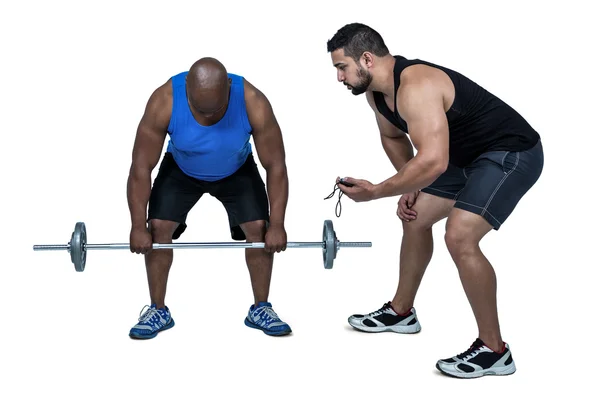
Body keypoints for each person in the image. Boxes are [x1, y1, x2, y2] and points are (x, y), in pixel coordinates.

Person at [326, 23, 543, 378]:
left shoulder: (417, 85)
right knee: (414, 215)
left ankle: (494, 350)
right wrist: (408, 186)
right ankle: (401, 312)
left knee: (459, 237)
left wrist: (379, 191)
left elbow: (433, 162)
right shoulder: (376, 94)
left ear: (366, 59)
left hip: (510, 153)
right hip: (462, 158)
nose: (339, 77)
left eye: (342, 67)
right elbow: (393, 137)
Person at [126, 57, 292, 339]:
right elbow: (141, 168)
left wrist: (277, 224)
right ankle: (157, 309)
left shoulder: (253, 101)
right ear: (187, 89)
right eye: (199, 111)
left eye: (214, 111)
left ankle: (260, 307)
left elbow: (276, 166)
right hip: (181, 168)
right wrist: (137, 226)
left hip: (236, 168)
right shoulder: (164, 99)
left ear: (229, 88)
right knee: (158, 228)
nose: (207, 119)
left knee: (258, 230)